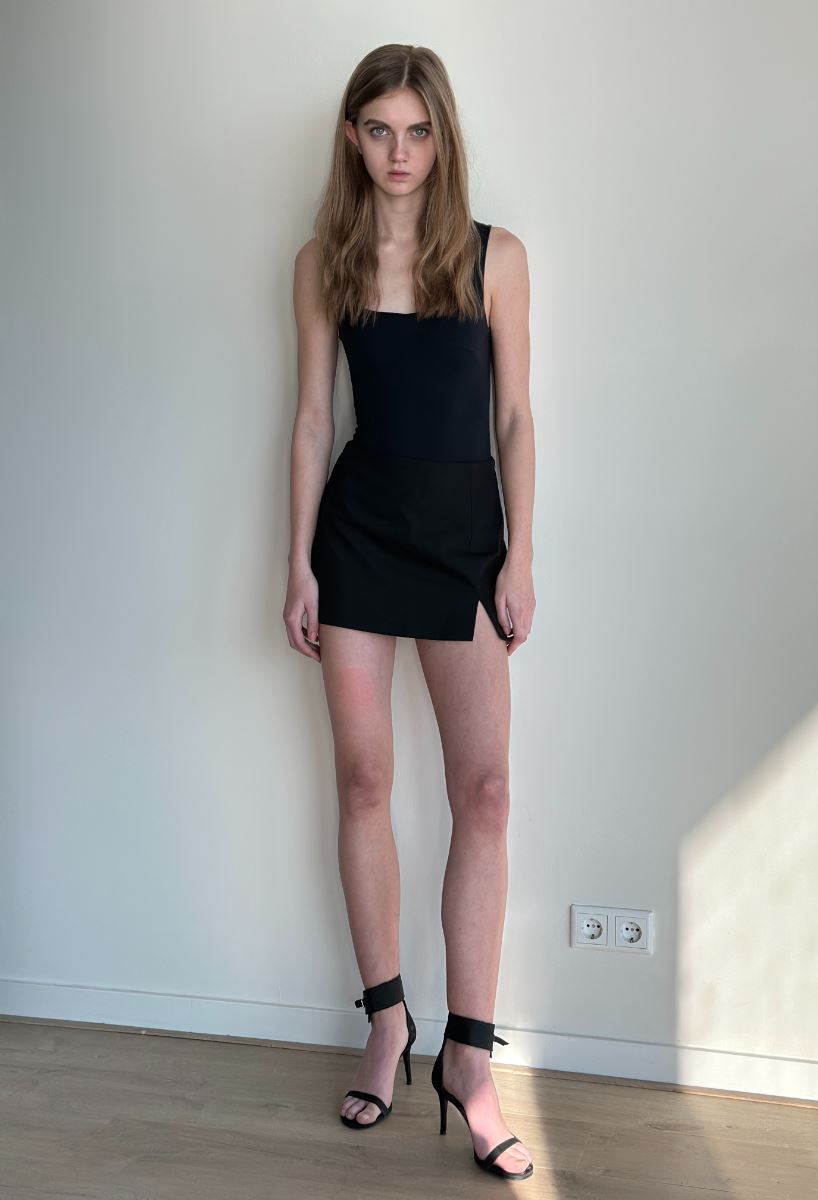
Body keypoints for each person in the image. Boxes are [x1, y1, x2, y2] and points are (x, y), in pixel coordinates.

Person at [283, 43, 535, 1181]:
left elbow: (515, 419)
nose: (400, 153)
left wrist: (520, 555)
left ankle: (469, 1062)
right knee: (365, 782)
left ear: (444, 140)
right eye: (380, 130)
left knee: (485, 793)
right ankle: (387, 1023)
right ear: (353, 136)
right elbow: (310, 419)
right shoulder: (323, 262)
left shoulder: (493, 257)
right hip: (358, 540)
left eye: (418, 132)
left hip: (464, 546)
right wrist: (298, 564)